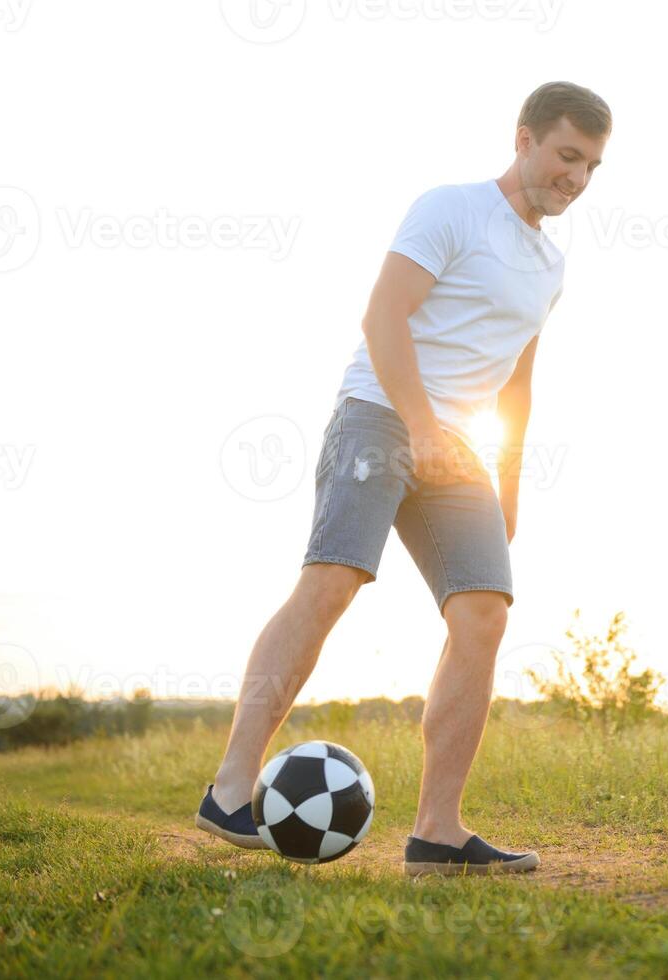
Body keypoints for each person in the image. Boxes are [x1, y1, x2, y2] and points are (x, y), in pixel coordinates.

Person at [195, 81, 611, 875]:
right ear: (522, 139)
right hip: (380, 413)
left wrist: (509, 483)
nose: (576, 178)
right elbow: (382, 316)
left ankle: (437, 833)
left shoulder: (550, 263)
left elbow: (518, 381)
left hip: (460, 451)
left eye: (591, 165)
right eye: (566, 156)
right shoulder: (448, 208)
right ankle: (230, 786)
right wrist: (419, 427)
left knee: (484, 613)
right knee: (332, 582)